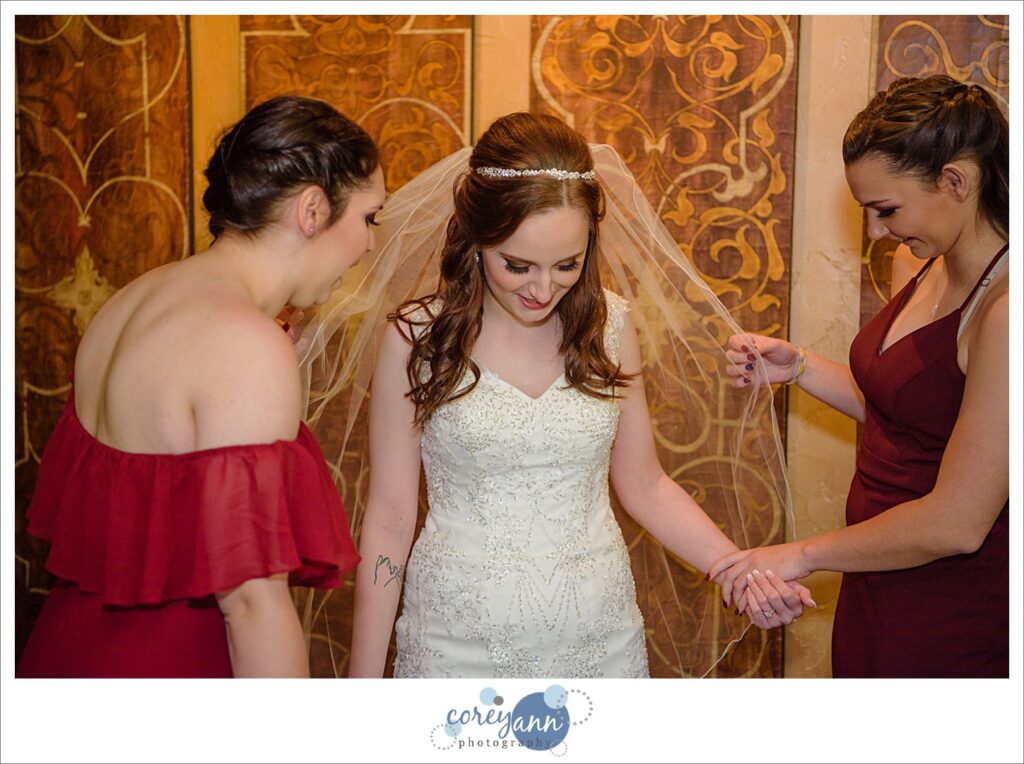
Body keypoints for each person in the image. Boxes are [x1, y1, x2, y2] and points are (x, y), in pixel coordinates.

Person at [307, 112, 814, 679]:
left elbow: (646, 484)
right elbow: (391, 518)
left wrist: (735, 569)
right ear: (477, 239)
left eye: (567, 264)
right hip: (455, 638)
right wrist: (362, 686)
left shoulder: (611, 327)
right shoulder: (415, 338)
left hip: (597, 634)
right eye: (517, 265)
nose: (543, 289)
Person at [17, 95, 382, 677]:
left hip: (66, 658)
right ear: (312, 211)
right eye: (368, 217)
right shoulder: (244, 343)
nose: (367, 245)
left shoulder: (131, 300)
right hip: (168, 680)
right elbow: (252, 606)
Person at [709, 75, 1009, 677]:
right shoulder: (918, 260)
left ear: (955, 181)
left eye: (885, 210)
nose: (875, 232)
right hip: (878, 573)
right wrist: (799, 367)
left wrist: (802, 555)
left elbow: (957, 523)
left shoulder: (1007, 313)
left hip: (954, 598)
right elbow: (911, 416)